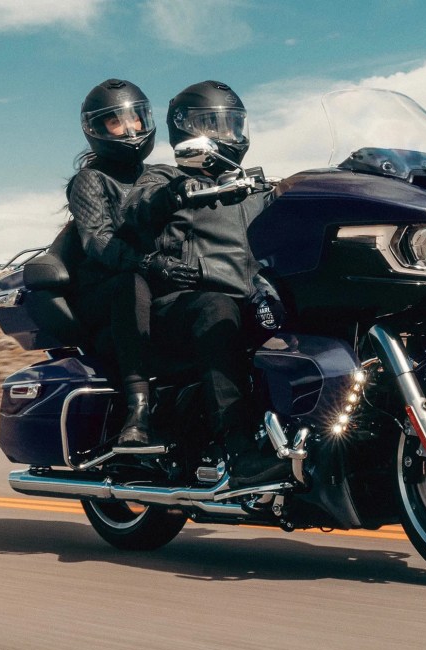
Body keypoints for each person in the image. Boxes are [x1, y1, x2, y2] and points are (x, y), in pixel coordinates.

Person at [122, 80, 288, 487]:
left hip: (249, 301)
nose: (227, 134)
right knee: (217, 308)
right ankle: (241, 451)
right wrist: (178, 192)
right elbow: (137, 209)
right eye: (214, 125)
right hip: (182, 306)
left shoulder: (256, 188)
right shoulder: (163, 177)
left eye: (232, 125)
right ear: (187, 130)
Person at [62, 78, 196, 448]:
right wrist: (149, 264)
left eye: (136, 118)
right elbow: (98, 243)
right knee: (131, 284)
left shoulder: (163, 175)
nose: (131, 129)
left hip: (155, 281)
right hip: (105, 290)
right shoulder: (90, 181)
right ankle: (138, 410)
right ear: (96, 129)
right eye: (116, 122)